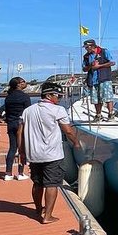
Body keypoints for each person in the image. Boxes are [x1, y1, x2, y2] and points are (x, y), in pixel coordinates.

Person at [23, 81, 81, 224]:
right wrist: (76, 143)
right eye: (58, 95)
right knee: (52, 184)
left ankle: (38, 210)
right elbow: (67, 130)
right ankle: (47, 216)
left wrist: (22, 151)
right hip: (52, 155)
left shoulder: (28, 111)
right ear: (49, 95)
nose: (60, 98)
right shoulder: (58, 110)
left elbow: (20, 132)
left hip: (34, 154)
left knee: (37, 183)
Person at [1, 76, 31, 181]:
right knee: (21, 148)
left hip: (11, 123)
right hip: (21, 124)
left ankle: (8, 173)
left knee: (12, 148)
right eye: (23, 81)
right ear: (18, 84)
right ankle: (20, 173)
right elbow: (28, 112)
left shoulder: (8, 97)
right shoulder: (25, 97)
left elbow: (7, 112)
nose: (25, 83)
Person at [81, 37, 115, 121]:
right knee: (96, 99)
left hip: (104, 78)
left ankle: (111, 114)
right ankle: (98, 114)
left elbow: (112, 62)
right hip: (93, 79)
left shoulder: (104, 51)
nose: (86, 49)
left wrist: (99, 66)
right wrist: (91, 66)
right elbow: (84, 69)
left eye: (86, 47)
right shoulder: (86, 56)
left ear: (91, 46)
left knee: (107, 97)